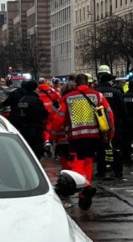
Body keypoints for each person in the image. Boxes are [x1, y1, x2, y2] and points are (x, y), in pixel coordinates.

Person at [51, 73, 115, 210]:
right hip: (94, 137)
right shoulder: (98, 96)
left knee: (77, 163)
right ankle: (85, 190)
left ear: (75, 84)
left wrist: (54, 135)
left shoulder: (68, 98)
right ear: (88, 83)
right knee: (88, 162)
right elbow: (109, 114)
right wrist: (110, 133)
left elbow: (59, 119)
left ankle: (84, 186)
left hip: (76, 137)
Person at [95, 72, 126, 179]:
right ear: (109, 81)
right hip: (114, 124)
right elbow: (123, 109)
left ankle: (101, 171)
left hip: (99, 125)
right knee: (116, 147)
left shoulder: (96, 93)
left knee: (101, 148)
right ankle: (117, 170)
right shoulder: (116, 92)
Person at [17, 80, 49, 160]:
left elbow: (18, 115)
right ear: (34, 89)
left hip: (24, 129)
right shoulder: (36, 101)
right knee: (36, 152)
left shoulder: (21, 100)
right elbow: (44, 114)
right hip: (35, 129)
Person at [38, 81, 60, 156]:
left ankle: (46, 142)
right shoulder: (50, 91)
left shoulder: (37, 92)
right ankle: (49, 142)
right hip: (51, 112)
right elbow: (57, 97)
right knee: (50, 127)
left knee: (43, 129)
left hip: (42, 113)